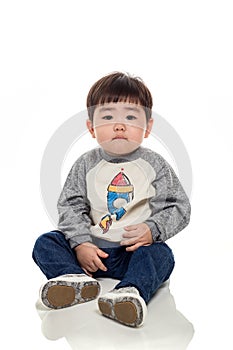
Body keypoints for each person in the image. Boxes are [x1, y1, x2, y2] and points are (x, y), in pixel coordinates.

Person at [33, 72, 191, 327]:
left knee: (161, 254)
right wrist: (80, 244)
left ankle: (130, 292)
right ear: (91, 128)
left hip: (133, 253)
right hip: (90, 253)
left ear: (148, 127)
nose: (119, 125)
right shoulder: (85, 164)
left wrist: (153, 230)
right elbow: (71, 206)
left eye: (130, 117)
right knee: (46, 242)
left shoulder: (155, 165)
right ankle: (73, 280)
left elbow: (178, 206)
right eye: (107, 117)